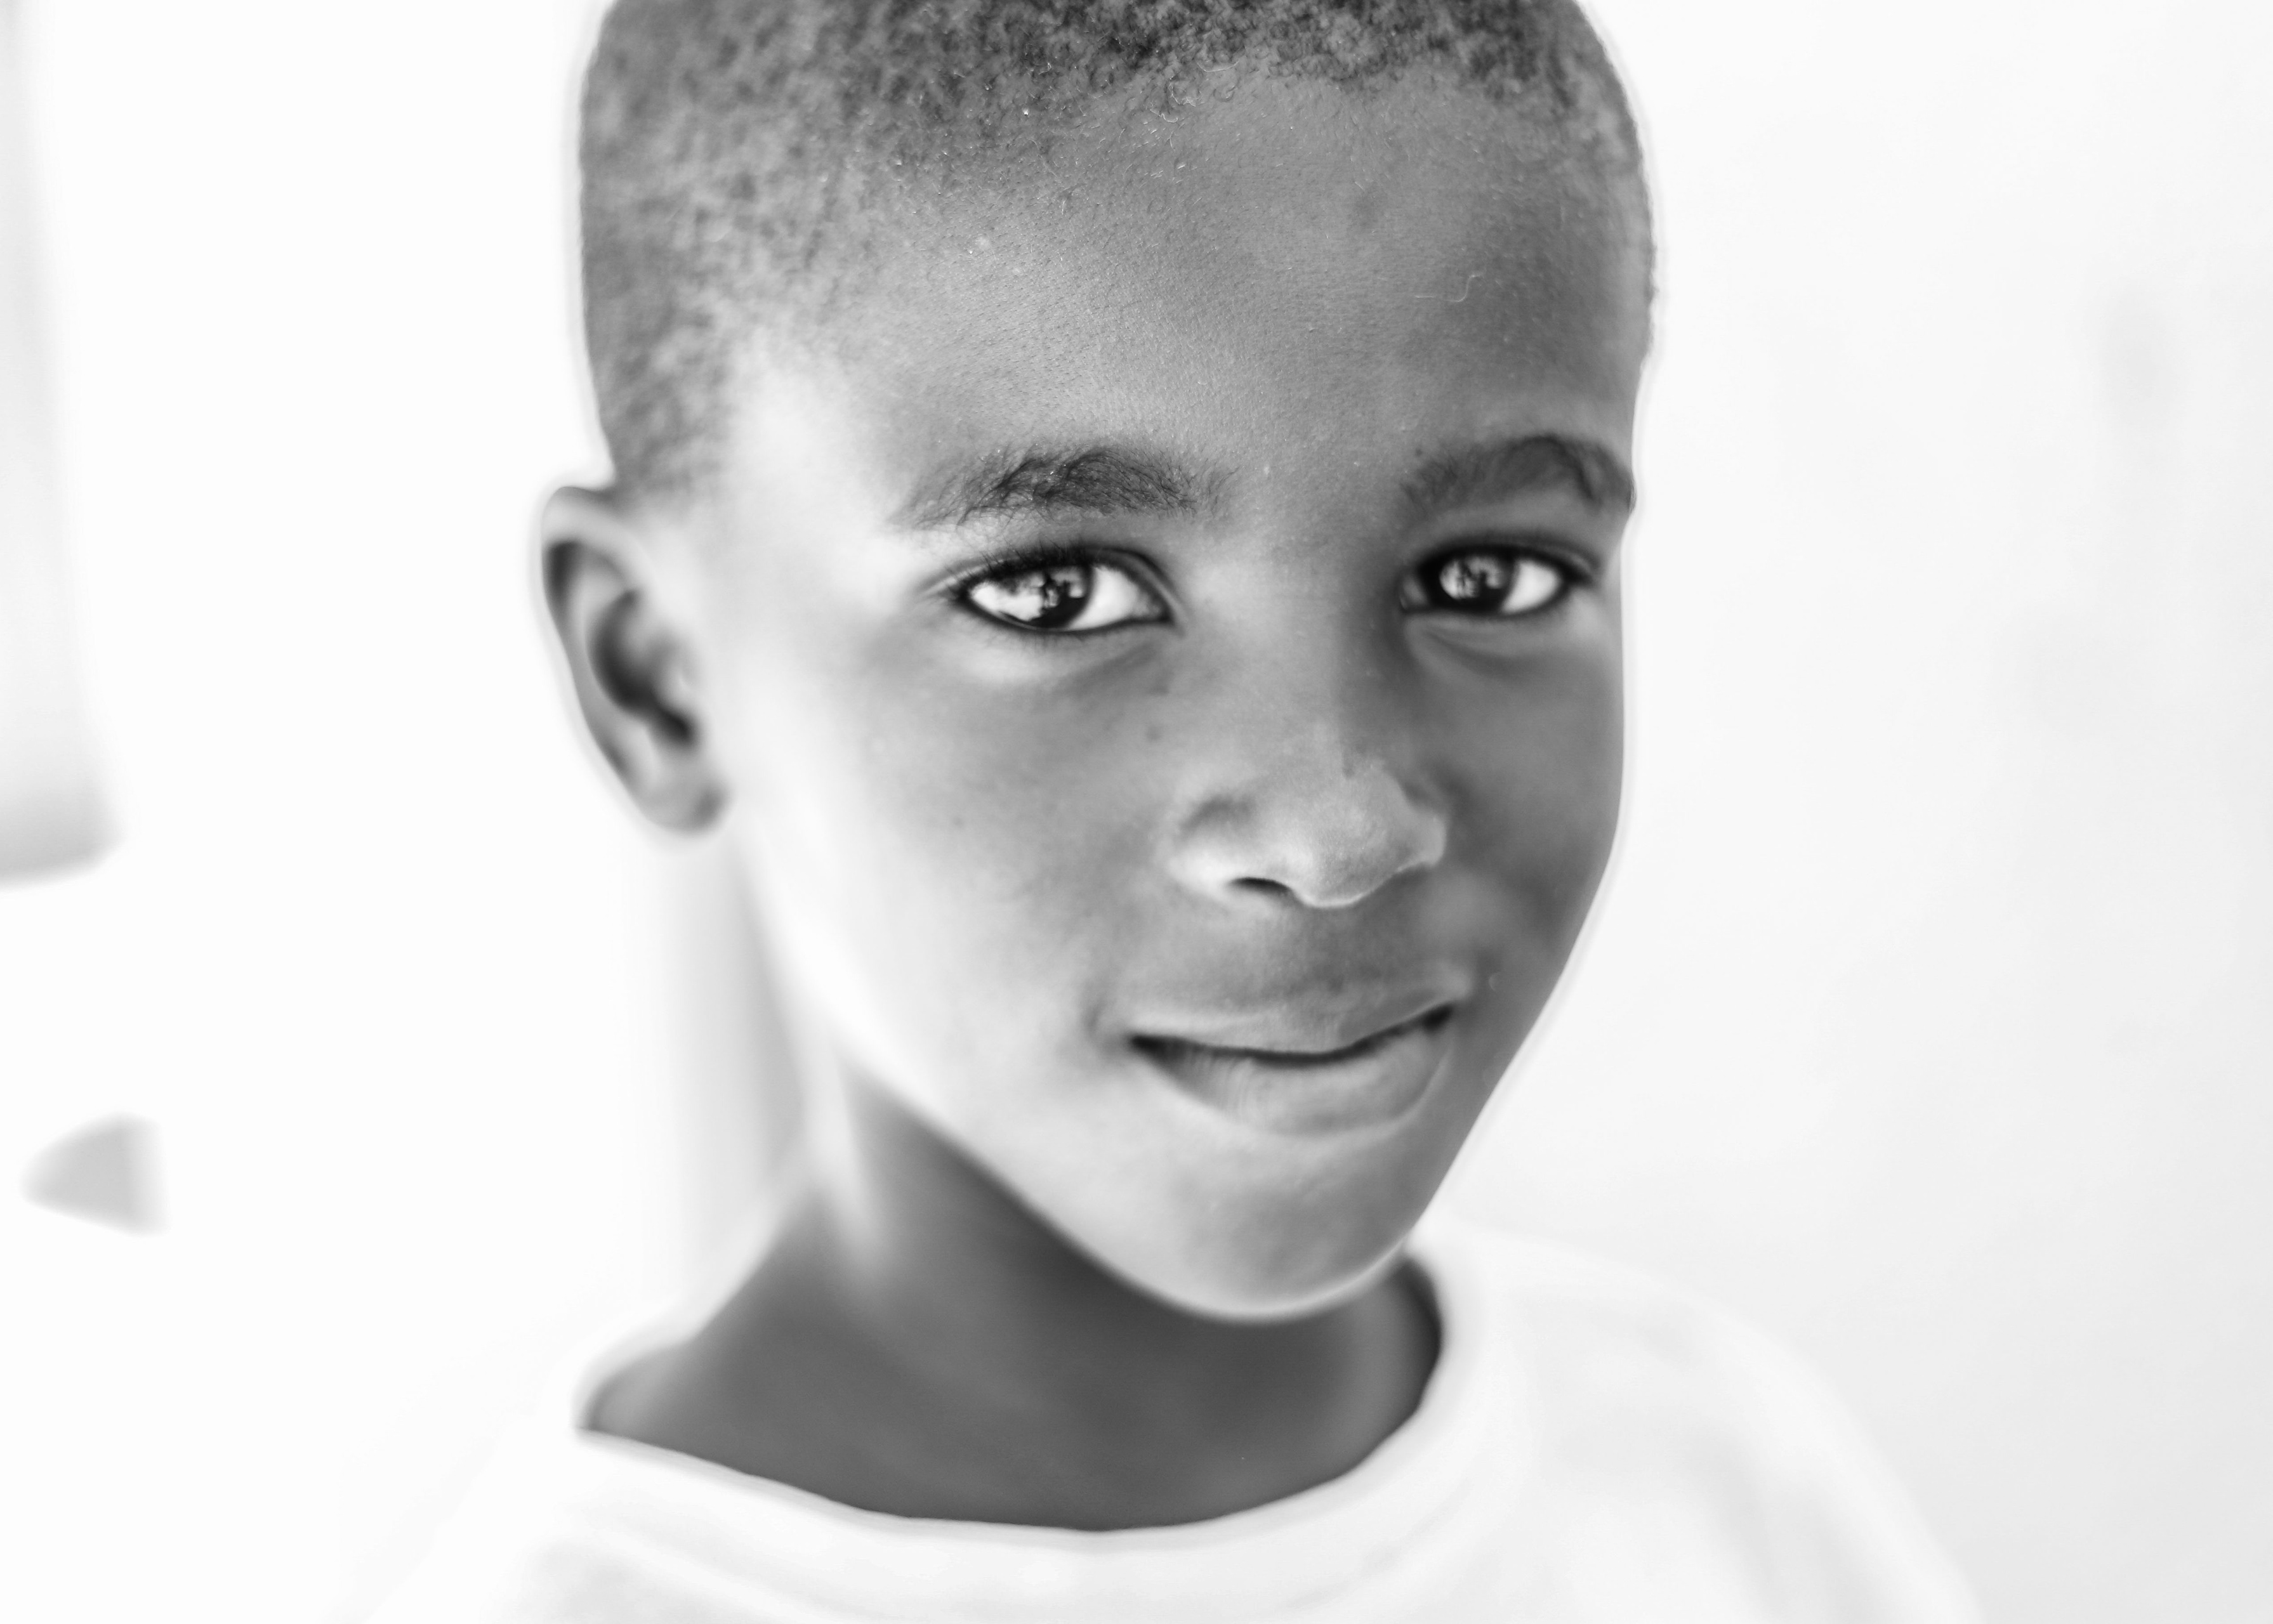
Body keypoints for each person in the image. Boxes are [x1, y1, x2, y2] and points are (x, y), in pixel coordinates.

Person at [375, 1, 1984, 1617]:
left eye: (1490, 576)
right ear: (657, 673)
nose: (1340, 834)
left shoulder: (1715, 1488)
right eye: (1056, 592)